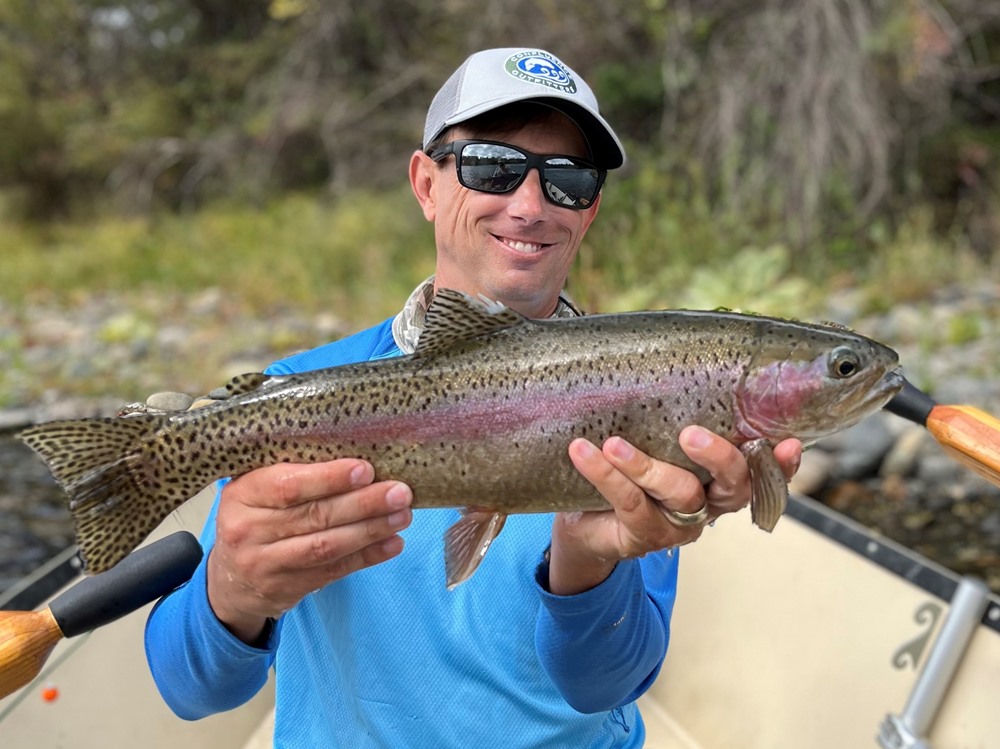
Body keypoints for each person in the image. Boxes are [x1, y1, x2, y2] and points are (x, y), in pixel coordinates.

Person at [144, 47, 802, 747]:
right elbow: (189, 689)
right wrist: (234, 590)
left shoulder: (649, 390)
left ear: (590, 210)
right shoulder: (300, 396)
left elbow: (604, 684)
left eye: (568, 179)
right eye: (491, 165)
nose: (529, 205)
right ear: (426, 184)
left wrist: (587, 560)